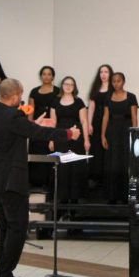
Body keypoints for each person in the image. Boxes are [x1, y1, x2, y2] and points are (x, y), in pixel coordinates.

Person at [0, 79, 79, 277]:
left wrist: (32, 125)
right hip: (9, 181)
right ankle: (3, 276)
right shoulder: (14, 116)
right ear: (13, 96)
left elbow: (13, 132)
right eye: (20, 96)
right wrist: (68, 133)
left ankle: (2, 274)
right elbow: (40, 134)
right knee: (18, 228)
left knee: (5, 226)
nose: (21, 99)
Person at [50, 76, 91, 210]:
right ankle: (62, 198)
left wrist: (86, 140)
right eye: (66, 84)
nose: (68, 86)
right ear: (62, 85)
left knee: (75, 166)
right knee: (62, 166)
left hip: (75, 137)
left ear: (74, 87)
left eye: (71, 85)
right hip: (60, 137)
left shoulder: (79, 102)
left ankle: (74, 198)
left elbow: (84, 122)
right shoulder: (55, 102)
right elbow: (53, 122)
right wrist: (51, 139)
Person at [101, 72, 138, 204]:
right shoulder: (108, 97)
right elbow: (105, 117)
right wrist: (103, 135)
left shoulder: (131, 97)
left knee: (124, 162)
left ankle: (124, 195)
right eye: (114, 81)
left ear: (123, 81)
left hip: (126, 130)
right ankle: (112, 196)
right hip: (112, 131)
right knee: (112, 162)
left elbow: (134, 117)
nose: (116, 83)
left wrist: (134, 135)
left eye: (119, 81)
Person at [28, 66, 60, 188]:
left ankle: (49, 181)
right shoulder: (34, 91)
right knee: (37, 150)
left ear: (53, 76)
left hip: (51, 126)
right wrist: (30, 126)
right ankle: (36, 181)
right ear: (40, 76)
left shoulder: (58, 91)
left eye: (49, 74)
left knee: (49, 151)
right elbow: (31, 110)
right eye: (44, 74)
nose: (46, 76)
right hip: (37, 126)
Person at [87, 64, 113, 187]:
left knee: (108, 147)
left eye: (106, 72)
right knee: (96, 148)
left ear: (110, 73)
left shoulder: (114, 88)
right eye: (101, 72)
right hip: (97, 120)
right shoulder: (95, 88)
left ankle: (107, 177)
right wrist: (89, 124)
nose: (103, 74)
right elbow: (91, 107)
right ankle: (95, 178)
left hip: (110, 120)